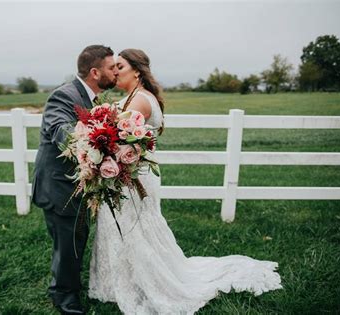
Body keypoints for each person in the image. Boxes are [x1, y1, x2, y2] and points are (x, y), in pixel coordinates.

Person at [88, 48, 282, 314]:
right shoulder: (133, 96)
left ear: (136, 70)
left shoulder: (141, 100)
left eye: (120, 66)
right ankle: (126, 281)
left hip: (135, 177)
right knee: (130, 227)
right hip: (129, 173)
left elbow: (114, 135)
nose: (115, 71)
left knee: (135, 229)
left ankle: (147, 282)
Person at [31, 45, 118, 315]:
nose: (116, 71)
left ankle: (68, 287)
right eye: (111, 67)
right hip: (60, 186)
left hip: (76, 186)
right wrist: (95, 145)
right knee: (68, 245)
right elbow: (61, 129)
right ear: (95, 72)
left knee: (75, 240)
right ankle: (64, 298)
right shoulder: (64, 95)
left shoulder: (91, 98)